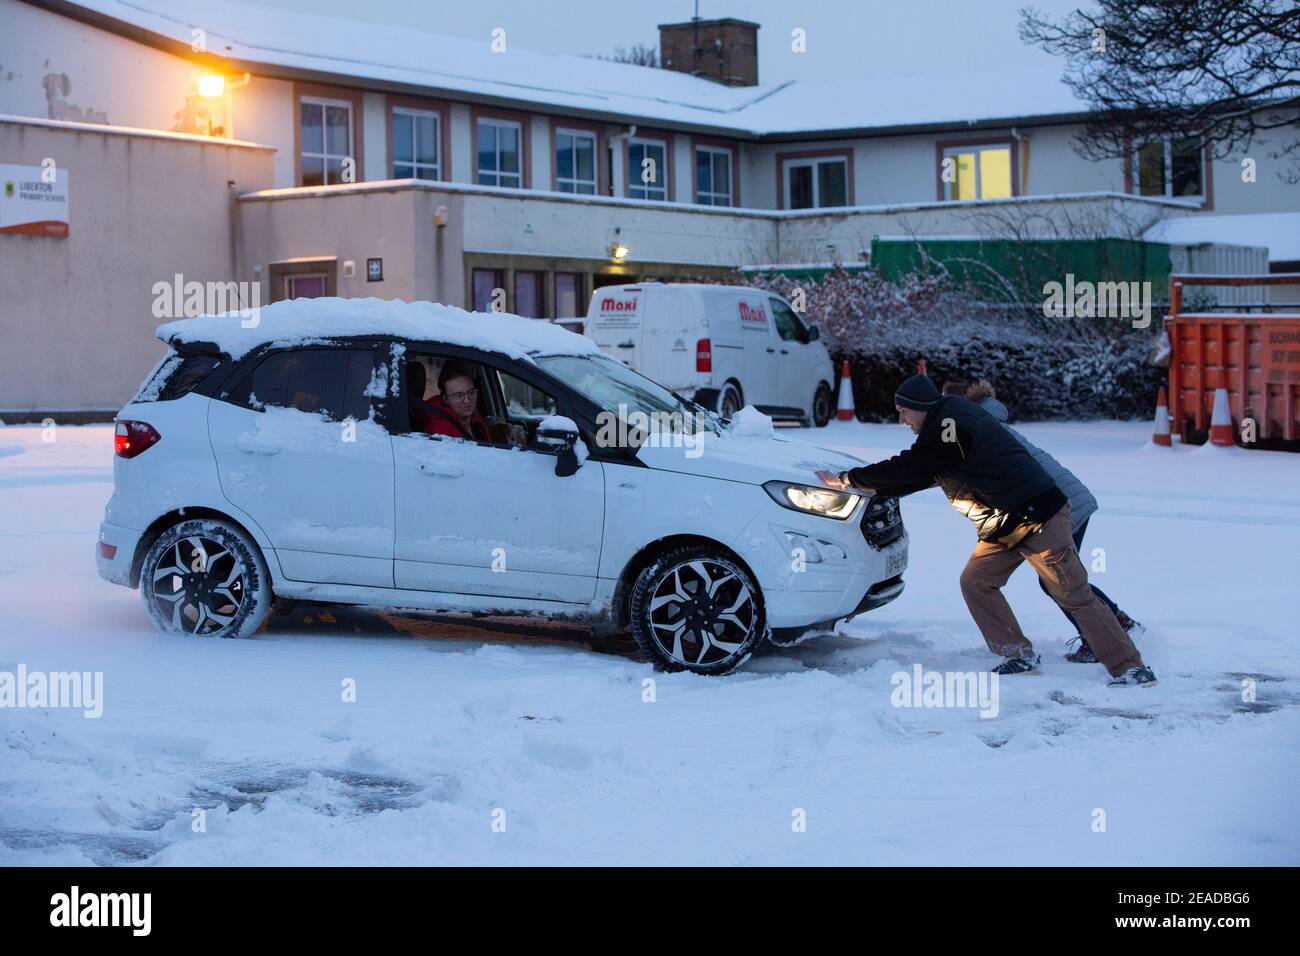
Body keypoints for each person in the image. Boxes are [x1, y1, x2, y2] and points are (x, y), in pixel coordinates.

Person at [816, 373, 1156, 686]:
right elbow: (922, 473)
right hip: (1005, 523)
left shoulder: (949, 425)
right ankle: (1017, 654)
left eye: (904, 412)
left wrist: (851, 479)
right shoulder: (947, 423)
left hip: (1038, 517)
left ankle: (1131, 667)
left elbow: (910, 466)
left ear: (921, 408)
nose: (902, 420)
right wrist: (869, 488)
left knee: (1072, 593)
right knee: (977, 582)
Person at [962, 379, 1141, 663]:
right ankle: (1118, 622)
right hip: (1063, 499)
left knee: (1060, 580)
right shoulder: (989, 424)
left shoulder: (983, 431)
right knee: (1062, 578)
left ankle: (1103, 641)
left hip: (1059, 504)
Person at [423, 360, 491, 442]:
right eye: (459, 395)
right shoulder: (439, 430)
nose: (467, 400)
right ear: (446, 399)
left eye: (471, 392)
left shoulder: (478, 421)